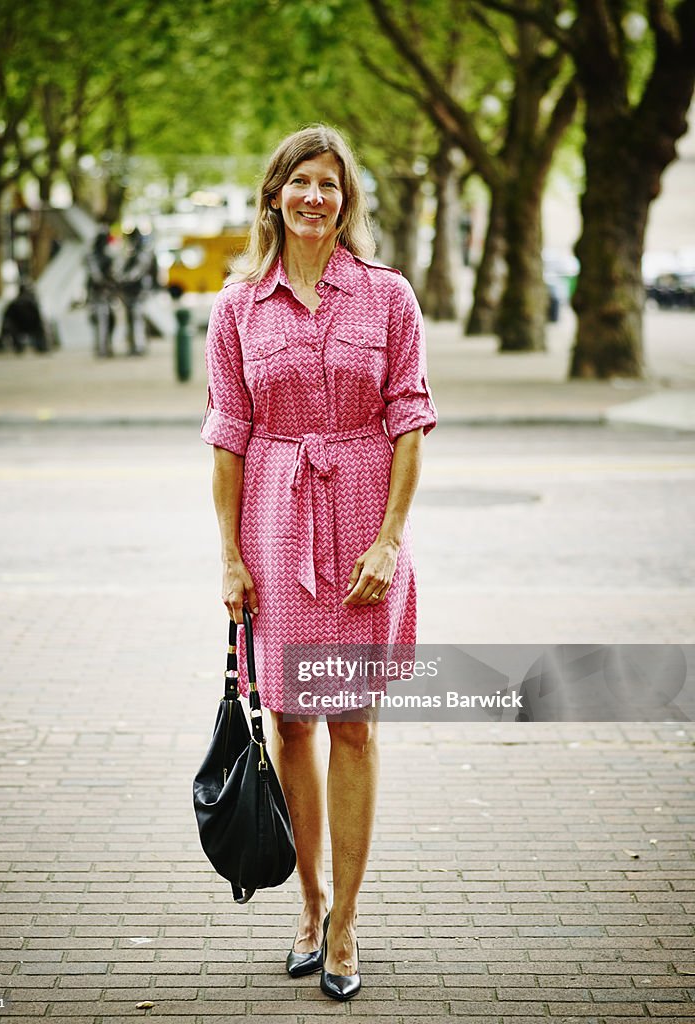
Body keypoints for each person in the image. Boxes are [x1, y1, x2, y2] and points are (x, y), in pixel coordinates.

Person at [201, 124, 436, 1002]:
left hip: (362, 527)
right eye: (300, 182)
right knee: (289, 724)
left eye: (330, 186)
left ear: (347, 202)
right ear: (275, 195)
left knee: (353, 724)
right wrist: (228, 556)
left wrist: (390, 538)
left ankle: (348, 925)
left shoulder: (387, 297)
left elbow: (411, 419)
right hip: (271, 528)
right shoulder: (236, 307)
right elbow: (227, 439)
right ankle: (309, 904)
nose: (314, 198)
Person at [116, 228, 155, 355]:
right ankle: (133, 345)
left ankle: (139, 346)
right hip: (130, 291)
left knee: (137, 318)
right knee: (131, 319)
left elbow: (137, 272)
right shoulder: (131, 253)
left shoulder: (142, 254)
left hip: (139, 291)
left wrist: (124, 278)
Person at [85, 227, 116, 357]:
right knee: (100, 321)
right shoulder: (93, 257)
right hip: (98, 293)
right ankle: (102, 348)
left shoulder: (106, 256)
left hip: (105, 293)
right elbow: (95, 276)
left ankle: (105, 347)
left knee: (108, 321)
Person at [0, 281, 48, 354]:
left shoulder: (29, 304)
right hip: (20, 328)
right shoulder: (16, 304)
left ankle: (41, 346)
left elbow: (39, 320)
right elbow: (6, 321)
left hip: (28, 328)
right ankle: (19, 346)